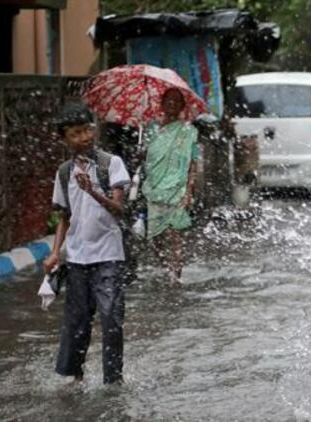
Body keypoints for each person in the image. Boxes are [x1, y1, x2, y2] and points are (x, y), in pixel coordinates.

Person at [43, 101, 131, 384]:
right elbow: (62, 215)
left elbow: (119, 210)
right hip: (77, 257)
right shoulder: (64, 172)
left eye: (86, 130)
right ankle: (76, 377)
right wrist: (55, 252)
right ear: (65, 139)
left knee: (111, 320)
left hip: (109, 255)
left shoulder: (111, 164)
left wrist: (93, 191)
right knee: (76, 323)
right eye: (75, 134)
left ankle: (113, 379)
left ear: (93, 129)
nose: (83, 137)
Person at [142, 88, 199, 281]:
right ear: (162, 103)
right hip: (155, 186)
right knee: (154, 236)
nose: (172, 104)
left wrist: (189, 190)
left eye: (177, 101)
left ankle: (176, 273)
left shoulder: (188, 131)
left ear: (183, 106)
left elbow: (193, 162)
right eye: (169, 100)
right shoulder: (151, 128)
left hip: (177, 187)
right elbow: (148, 156)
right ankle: (165, 266)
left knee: (175, 233)